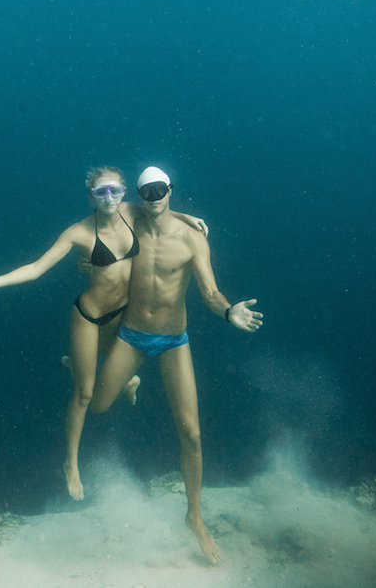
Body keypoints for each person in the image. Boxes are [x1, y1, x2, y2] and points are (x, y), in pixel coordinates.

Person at [0, 166, 207, 500]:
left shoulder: (131, 212)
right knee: (85, 394)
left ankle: (93, 370)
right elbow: (35, 269)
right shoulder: (79, 233)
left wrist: (188, 217)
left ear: (124, 192)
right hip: (89, 316)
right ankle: (71, 463)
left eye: (115, 191)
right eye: (101, 192)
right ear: (90, 195)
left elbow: (160, 207)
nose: (109, 198)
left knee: (107, 376)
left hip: (124, 317)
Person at [89, 166, 263, 564]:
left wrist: (228, 311)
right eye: (145, 191)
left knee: (192, 434)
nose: (153, 197)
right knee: (97, 405)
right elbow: (108, 212)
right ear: (139, 195)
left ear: (171, 190)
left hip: (173, 341)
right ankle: (129, 380)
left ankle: (195, 517)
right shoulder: (127, 219)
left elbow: (209, 291)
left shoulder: (192, 239)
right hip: (132, 335)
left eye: (160, 190)